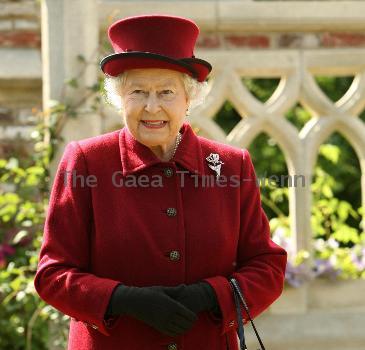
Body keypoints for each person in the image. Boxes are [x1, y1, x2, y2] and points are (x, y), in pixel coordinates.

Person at [34, 14, 287, 350]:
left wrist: (211, 295)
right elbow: (52, 274)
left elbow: (267, 267)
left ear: (189, 98)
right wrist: (122, 300)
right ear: (119, 98)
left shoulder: (230, 166)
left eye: (166, 92)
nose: (152, 107)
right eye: (138, 91)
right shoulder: (86, 161)